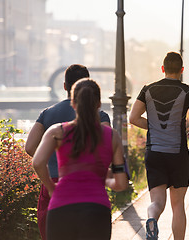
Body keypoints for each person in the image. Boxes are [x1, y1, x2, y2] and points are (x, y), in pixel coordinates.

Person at [32, 78, 129, 240]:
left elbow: (37, 162)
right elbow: (121, 184)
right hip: (97, 210)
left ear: (73, 104)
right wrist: (105, 179)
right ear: (98, 104)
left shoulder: (57, 132)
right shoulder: (112, 136)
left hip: (60, 208)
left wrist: (51, 187)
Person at [129, 52, 189, 240]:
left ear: (163, 69)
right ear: (181, 70)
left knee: (157, 202)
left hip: (154, 153)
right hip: (178, 154)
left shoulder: (147, 90)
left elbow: (133, 118)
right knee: (178, 206)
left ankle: (152, 218)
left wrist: (152, 127)